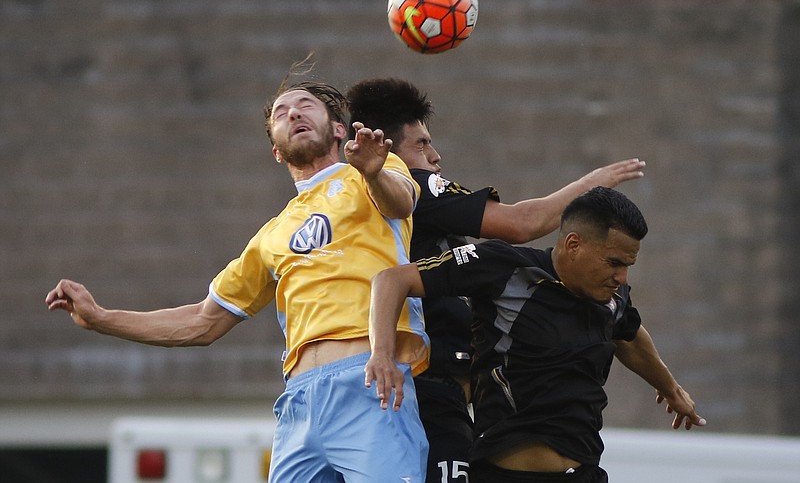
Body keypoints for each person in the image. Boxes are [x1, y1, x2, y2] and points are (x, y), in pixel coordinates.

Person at [45, 76, 430, 482]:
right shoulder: (271, 235)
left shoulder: (373, 168)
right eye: (281, 113)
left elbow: (401, 203)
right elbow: (202, 321)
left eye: (305, 105)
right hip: (299, 401)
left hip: (368, 380)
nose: (293, 112)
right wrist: (100, 318)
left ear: (338, 128)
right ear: (276, 152)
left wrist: (370, 172)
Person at [347, 78, 647, 483]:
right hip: (423, 392)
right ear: (385, 151)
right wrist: (592, 186)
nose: (436, 156)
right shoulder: (417, 188)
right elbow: (523, 223)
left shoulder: (365, 203)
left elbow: (627, 330)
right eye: (421, 144)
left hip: (429, 396)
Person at [365, 186, 706, 483]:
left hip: (585, 472)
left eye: (628, 265)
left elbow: (629, 336)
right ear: (573, 244)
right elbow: (392, 280)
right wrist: (381, 354)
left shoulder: (612, 300)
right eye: (615, 262)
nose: (623, 277)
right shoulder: (505, 268)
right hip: (506, 475)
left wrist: (670, 388)